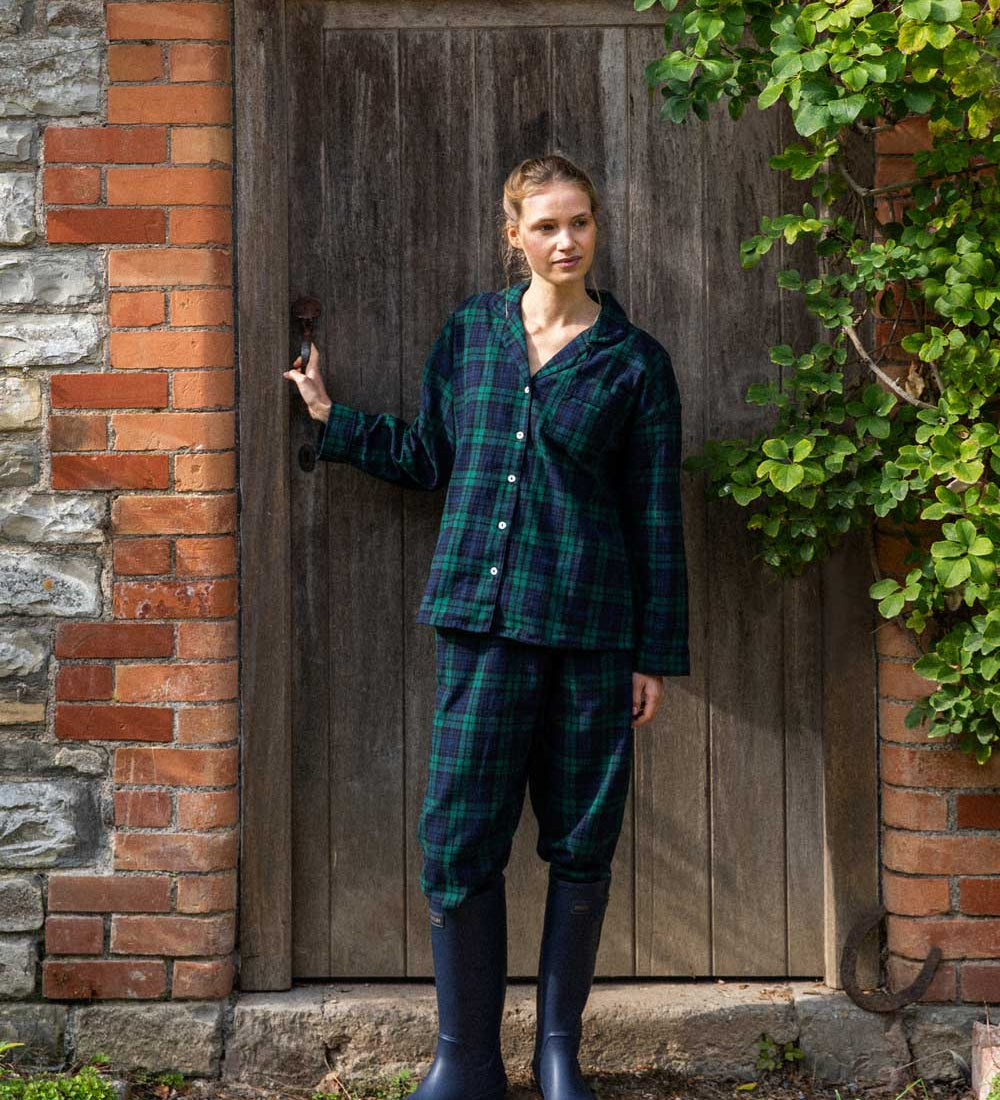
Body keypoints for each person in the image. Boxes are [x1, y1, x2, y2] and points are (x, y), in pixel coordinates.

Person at [283, 153, 690, 1100]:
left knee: (582, 841)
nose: (565, 240)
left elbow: (655, 518)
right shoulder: (472, 333)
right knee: (459, 837)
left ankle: (558, 1056)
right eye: (545, 225)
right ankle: (464, 1062)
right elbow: (433, 454)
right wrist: (334, 420)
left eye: (579, 222)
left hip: (591, 637)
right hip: (481, 625)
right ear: (514, 236)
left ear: (596, 228)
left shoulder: (636, 363)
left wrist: (654, 657)